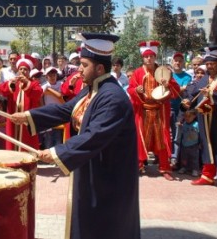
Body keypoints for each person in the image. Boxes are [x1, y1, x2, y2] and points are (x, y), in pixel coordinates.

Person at [10, 33, 140, 239]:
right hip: (93, 169)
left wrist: (56, 152)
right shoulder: (92, 90)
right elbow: (65, 110)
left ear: (99, 68)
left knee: (106, 228)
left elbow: (94, 136)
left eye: (84, 65)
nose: (79, 69)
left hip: (108, 179)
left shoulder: (112, 98)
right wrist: (27, 116)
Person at [182, 46, 217, 195]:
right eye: (207, 64)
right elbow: (191, 92)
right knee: (207, 146)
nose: (209, 66)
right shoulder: (204, 78)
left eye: (212, 63)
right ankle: (207, 175)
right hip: (205, 120)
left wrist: (212, 95)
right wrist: (186, 100)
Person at [127, 40, 180, 180]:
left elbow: (176, 91)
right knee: (141, 139)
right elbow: (130, 89)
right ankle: (138, 165)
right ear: (142, 58)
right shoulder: (137, 73)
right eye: (146, 56)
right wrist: (136, 90)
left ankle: (165, 168)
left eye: (151, 56)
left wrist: (168, 85)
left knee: (162, 140)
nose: (149, 58)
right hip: (143, 111)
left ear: (155, 57)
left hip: (159, 112)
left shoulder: (163, 72)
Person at [0, 54, 43, 151]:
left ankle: (27, 164)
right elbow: (1, 89)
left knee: (27, 142)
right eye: (21, 69)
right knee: (13, 139)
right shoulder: (13, 82)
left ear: (29, 72)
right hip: (13, 117)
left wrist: (27, 83)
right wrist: (11, 84)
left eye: (25, 69)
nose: (22, 71)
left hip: (27, 118)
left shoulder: (34, 83)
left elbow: (38, 93)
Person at [169, 52, 192, 169]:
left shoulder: (187, 77)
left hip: (179, 110)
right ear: (172, 62)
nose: (177, 62)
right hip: (167, 107)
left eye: (180, 61)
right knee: (166, 134)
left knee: (177, 135)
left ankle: (175, 159)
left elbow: (182, 90)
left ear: (183, 63)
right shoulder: (168, 75)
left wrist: (171, 87)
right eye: (175, 60)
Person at [41, 66, 65, 148]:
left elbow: (61, 96)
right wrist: (43, 107)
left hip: (60, 112)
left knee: (58, 136)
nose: (52, 77)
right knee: (49, 136)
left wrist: (50, 90)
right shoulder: (44, 86)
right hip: (49, 113)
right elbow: (39, 96)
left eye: (54, 75)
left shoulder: (61, 84)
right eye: (50, 75)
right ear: (46, 77)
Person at [176, 109, 200, 177]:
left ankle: (195, 169)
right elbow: (181, 134)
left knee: (194, 158)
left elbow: (200, 134)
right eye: (186, 116)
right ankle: (184, 167)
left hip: (194, 145)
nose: (187, 118)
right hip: (184, 144)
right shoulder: (184, 124)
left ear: (194, 116)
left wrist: (200, 143)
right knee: (184, 157)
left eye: (189, 116)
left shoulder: (197, 124)